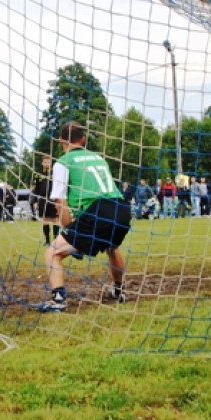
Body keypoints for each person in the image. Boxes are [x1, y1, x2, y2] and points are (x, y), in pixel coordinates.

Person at [43, 122, 131, 312]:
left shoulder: (63, 162)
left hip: (98, 211)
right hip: (122, 208)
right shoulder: (98, 158)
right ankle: (119, 290)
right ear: (83, 139)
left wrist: (69, 230)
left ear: (61, 141)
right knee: (111, 247)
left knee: (53, 253)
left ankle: (58, 300)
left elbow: (61, 202)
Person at [31, 154, 60, 246]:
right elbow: (34, 189)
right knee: (45, 220)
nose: (47, 163)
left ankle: (56, 241)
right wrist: (34, 201)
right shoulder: (38, 174)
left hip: (54, 199)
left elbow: (59, 186)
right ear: (42, 163)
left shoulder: (55, 173)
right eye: (45, 162)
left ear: (51, 163)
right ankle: (47, 241)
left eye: (48, 162)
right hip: (43, 200)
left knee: (55, 219)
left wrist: (59, 200)